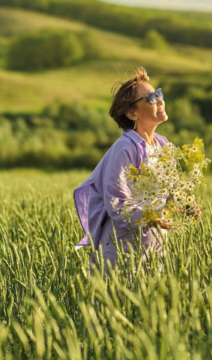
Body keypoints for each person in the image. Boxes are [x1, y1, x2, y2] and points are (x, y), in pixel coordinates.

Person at [73, 67, 173, 276]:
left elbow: (170, 191)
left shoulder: (163, 145)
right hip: (122, 248)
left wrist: (183, 206)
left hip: (155, 244)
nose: (160, 100)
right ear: (132, 113)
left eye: (159, 94)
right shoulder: (125, 147)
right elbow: (116, 202)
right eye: (151, 97)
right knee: (115, 304)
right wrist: (149, 216)